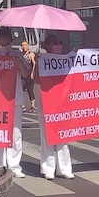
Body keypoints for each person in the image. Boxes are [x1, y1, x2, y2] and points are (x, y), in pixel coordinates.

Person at [0, 27, 33, 179]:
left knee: (15, 133)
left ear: (12, 42)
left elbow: (26, 73)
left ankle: (14, 165)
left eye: (7, 43)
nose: (5, 46)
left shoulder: (17, 55)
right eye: (2, 43)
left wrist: (17, 63)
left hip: (15, 99)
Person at [36, 33, 74, 180]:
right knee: (47, 135)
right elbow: (35, 80)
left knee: (63, 135)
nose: (56, 46)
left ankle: (64, 168)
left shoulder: (66, 60)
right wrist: (37, 63)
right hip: (45, 100)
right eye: (52, 43)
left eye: (58, 42)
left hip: (62, 101)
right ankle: (48, 168)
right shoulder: (41, 60)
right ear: (45, 46)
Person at [20, 40, 37, 113]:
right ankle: (22, 105)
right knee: (20, 89)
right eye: (22, 45)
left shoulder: (31, 54)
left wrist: (33, 72)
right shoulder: (21, 54)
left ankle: (33, 106)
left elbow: (34, 63)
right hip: (23, 75)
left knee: (30, 90)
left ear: (28, 46)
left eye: (25, 45)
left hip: (30, 74)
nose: (24, 47)